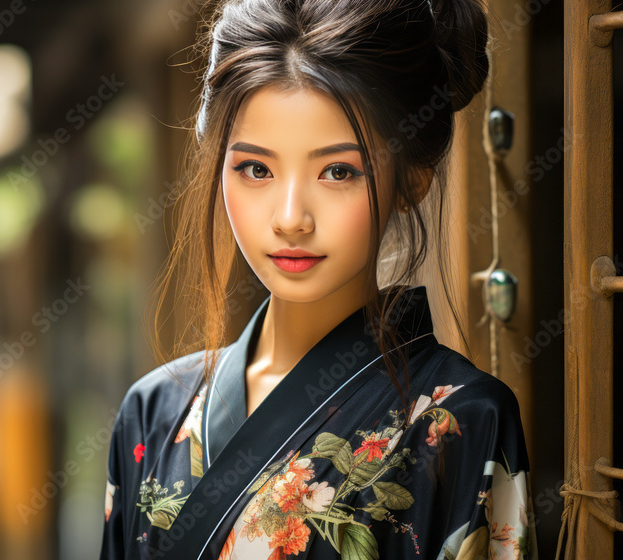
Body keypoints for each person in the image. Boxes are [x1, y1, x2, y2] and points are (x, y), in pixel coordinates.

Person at [99, 0, 537, 559]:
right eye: (256, 168)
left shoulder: (461, 420)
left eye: (338, 171)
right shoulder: (153, 414)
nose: (290, 217)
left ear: (414, 177)